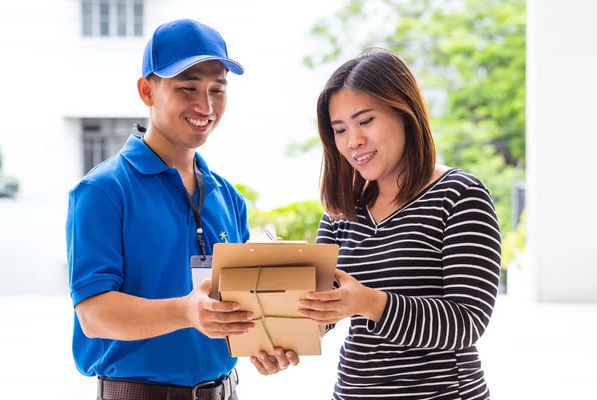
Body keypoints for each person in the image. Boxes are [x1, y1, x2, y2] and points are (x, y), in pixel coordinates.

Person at [65, 18, 298, 400]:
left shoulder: (228, 197)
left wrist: (264, 342)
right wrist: (185, 312)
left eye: (217, 90)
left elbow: (229, 309)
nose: (205, 106)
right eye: (188, 88)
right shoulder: (102, 191)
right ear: (147, 91)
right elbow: (94, 315)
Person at [298, 48, 502, 400]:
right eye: (340, 129)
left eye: (365, 121)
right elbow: (325, 309)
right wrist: (279, 335)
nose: (353, 141)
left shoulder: (459, 196)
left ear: (404, 113)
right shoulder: (341, 210)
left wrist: (369, 303)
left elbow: (467, 322)